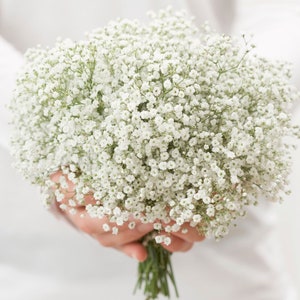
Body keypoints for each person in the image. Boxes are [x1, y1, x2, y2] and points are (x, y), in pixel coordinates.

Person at [1, 1, 300, 299]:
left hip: (230, 262)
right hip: (37, 264)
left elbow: (281, 12)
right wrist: (57, 154)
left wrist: (237, 129)